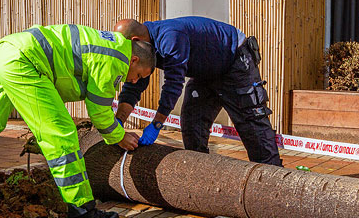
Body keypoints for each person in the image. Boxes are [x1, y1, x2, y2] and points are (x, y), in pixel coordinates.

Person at [0, 24, 155, 218]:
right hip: (26, 62)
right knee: (61, 134)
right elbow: (99, 111)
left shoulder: (108, 44)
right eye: (138, 75)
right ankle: (82, 211)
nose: (134, 81)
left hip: (3, 53)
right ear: (134, 59)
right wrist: (119, 136)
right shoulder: (116, 59)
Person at [114, 16, 282, 167]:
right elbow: (134, 85)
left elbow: (173, 85)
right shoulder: (144, 49)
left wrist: (157, 124)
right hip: (205, 73)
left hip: (234, 61)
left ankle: (273, 178)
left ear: (135, 40)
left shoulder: (170, 37)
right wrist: (118, 123)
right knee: (192, 122)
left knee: (251, 123)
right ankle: (201, 173)